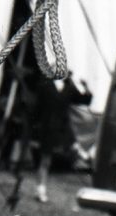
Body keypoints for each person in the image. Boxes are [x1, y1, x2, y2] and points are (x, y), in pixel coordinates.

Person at [33, 72, 91, 203]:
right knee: (45, 160)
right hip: (47, 128)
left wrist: (85, 87)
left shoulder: (69, 88)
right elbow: (37, 108)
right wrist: (35, 128)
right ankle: (40, 189)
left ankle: (79, 151)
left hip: (63, 128)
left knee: (71, 144)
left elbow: (85, 100)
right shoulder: (45, 86)